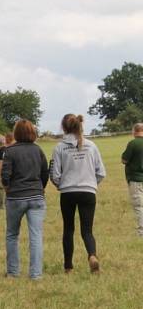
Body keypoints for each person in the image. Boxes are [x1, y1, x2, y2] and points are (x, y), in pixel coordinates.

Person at [50, 114, 105, 274]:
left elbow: (55, 174)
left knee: (68, 229)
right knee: (87, 230)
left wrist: (61, 186)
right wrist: (92, 184)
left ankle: (68, 267)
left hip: (68, 192)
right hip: (88, 191)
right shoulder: (91, 145)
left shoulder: (59, 147)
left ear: (64, 128)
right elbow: (101, 172)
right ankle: (92, 255)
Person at [1, 119, 49, 280]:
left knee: (12, 234)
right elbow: (45, 173)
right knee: (36, 236)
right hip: (36, 196)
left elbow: (5, 175)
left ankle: (13, 272)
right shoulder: (38, 150)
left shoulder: (10, 151)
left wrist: (8, 188)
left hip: (15, 197)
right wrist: (41, 188)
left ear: (16, 133)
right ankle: (35, 274)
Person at [122, 123, 143, 237]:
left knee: (139, 206)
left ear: (135, 131)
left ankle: (141, 232)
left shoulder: (133, 143)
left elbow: (124, 159)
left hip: (136, 179)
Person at [0, 134, 14, 210]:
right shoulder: (6, 149)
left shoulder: (2, 150)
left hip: (2, 173)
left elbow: (1, 162)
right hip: (5, 172)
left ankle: (0, 206)